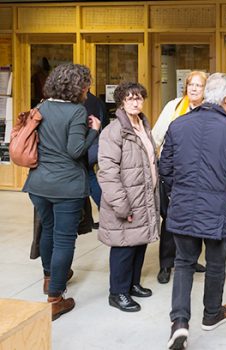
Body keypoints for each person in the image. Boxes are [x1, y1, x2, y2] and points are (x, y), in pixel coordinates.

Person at [161, 72, 226, 350]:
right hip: (218, 208)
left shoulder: (178, 125)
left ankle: (179, 323)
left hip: (183, 204)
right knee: (215, 264)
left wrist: (185, 186)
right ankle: (211, 314)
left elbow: (164, 168)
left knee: (183, 263)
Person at [23, 63, 101, 320]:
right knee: (64, 239)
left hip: (38, 184)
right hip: (66, 186)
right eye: (86, 86)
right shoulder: (76, 112)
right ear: (78, 87)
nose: (87, 91)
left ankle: (49, 278)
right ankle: (55, 298)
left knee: (47, 229)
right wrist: (94, 131)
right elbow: (75, 150)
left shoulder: (42, 106)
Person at [97, 82, 160, 313]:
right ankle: (118, 293)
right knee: (124, 247)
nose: (136, 102)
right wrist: (122, 205)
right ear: (121, 102)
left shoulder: (144, 126)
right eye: (130, 98)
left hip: (144, 197)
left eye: (139, 98)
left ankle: (133, 284)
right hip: (126, 200)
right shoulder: (114, 132)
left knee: (139, 243)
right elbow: (108, 172)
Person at [152, 71, 209, 284]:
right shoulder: (174, 107)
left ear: (206, 90)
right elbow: (156, 137)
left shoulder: (209, 109)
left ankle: (190, 259)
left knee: (196, 217)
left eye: (198, 85)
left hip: (199, 173)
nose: (193, 89)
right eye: (190, 85)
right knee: (171, 219)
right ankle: (166, 264)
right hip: (173, 173)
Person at [84, 90, 108, 229]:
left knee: (89, 178)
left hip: (86, 146)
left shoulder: (79, 101)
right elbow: (104, 123)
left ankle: (105, 213)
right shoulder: (97, 100)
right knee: (90, 177)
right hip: (96, 145)